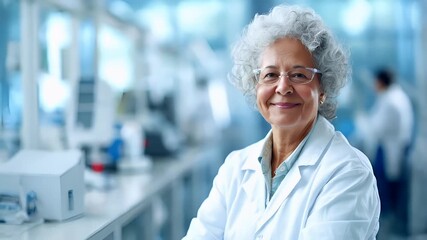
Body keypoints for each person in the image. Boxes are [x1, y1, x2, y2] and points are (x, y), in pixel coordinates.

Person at [183, 4, 380, 240]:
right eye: (270, 75)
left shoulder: (347, 172)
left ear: (323, 87)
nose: (283, 87)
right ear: (255, 85)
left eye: (298, 74)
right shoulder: (235, 169)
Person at [356, 68, 414, 234]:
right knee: (389, 190)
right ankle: (389, 225)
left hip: (390, 151)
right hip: (392, 149)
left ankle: (388, 227)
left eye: (375, 82)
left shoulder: (390, 101)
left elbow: (376, 128)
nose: (374, 86)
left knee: (385, 191)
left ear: (380, 82)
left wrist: (361, 120)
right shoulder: (395, 97)